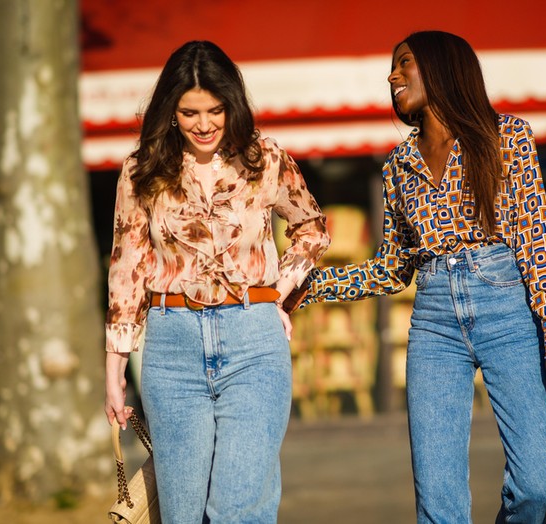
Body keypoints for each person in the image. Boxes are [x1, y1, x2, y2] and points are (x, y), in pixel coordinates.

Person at [297, 31, 546, 523]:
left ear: (443, 68)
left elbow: (537, 242)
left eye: (404, 63)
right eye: (391, 67)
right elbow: (392, 268)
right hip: (433, 323)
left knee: (537, 484)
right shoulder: (397, 167)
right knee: (438, 499)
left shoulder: (506, 137)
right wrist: (311, 285)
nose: (392, 76)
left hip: (506, 308)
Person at [103, 40, 329, 523]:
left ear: (232, 105)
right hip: (170, 349)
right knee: (183, 514)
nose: (203, 124)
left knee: (236, 510)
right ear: (169, 111)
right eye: (189, 112)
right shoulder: (141, 169)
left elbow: (311, 227)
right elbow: (127, 266)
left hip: (254, 343)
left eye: (215, 110)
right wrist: (115, 368)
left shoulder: (264, 158)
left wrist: (279, 294)